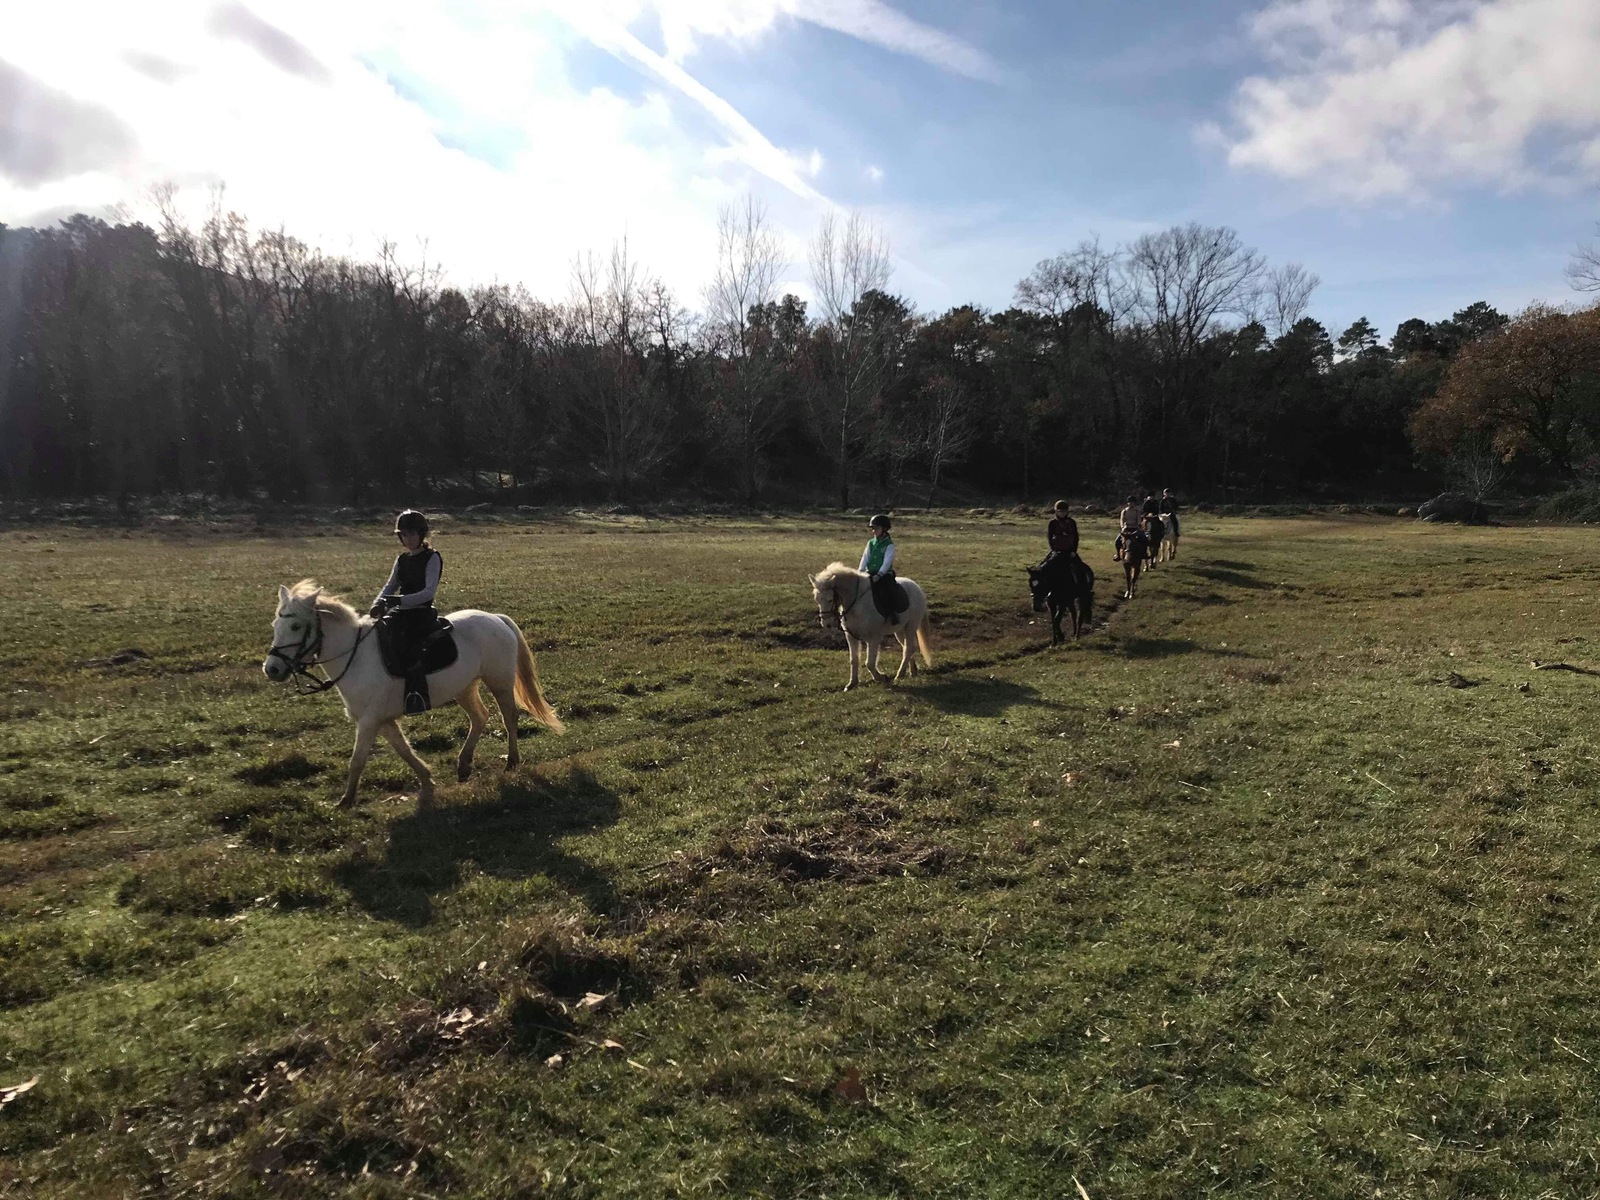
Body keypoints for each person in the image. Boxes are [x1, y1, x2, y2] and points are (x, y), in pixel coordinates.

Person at [370, 509, 443, 713]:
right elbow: (390, 586)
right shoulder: (401, 560)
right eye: (404, 534)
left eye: (412, 534)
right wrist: (377, 604)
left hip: (420, 614)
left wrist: (400, 600)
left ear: (421, 534)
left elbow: (428, 593)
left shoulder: (432, 558)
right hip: (400, 612)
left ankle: (417, 695)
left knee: (410, 649)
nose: (408, 539)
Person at [859, 513, 901, 624]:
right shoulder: (870, 543)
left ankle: (892, 613)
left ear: (884, 529)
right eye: (872, 529)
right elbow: (865, 557)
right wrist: (860, 571)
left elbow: (887, 562)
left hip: (884, 574)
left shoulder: (889, 545)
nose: (874, 531)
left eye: (876, 528)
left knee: (888, 590)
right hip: (870, 572)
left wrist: (879, 575)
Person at [1115, 494, 1142, 561]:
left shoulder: (1137, 511)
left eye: (1132, 502)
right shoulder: (1124, 511)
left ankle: (1144, 553)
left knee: (1144, 538)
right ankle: (1118, 555)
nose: (1131, 504)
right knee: (1117, 541)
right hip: (1126, 528)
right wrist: (1122, 526)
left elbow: (1139, 519)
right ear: (1128, 503)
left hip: (1135, 528)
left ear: (1134, 503)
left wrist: (1138, 525)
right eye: (1130, 502)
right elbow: (1122, 520)